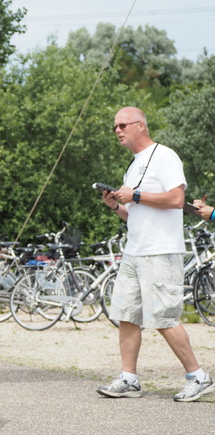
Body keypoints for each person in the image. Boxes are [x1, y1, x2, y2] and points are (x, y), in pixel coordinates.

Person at [97, 106, 213, 402]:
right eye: (115, 127)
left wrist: (134, 194)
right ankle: (129, 379)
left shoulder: (165, 156)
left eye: (122, 125)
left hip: (161, 251)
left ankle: (198, 377)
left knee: (163, 317)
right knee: (125, 314)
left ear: (140, 126)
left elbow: (177, 199)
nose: (117, 131)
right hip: (134, 251)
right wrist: (114, 204)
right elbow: (133, 215)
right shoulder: (133, 166)